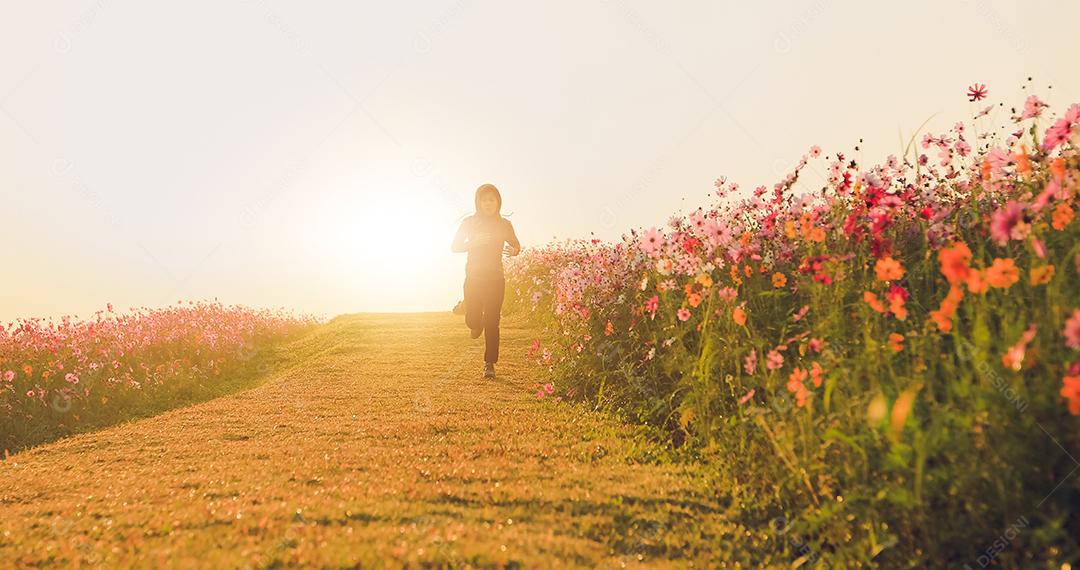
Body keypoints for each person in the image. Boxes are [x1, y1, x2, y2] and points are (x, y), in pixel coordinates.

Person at [450, 183, 521, 379]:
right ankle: (474, 320)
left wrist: (515, 250)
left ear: (498, 202)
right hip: (473, 278)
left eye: (492, 199)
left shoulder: (504, 225)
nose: (488, 203)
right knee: (473, 320)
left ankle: (489, 363)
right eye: (484, 200)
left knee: (492, 320)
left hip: (496, 279)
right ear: (478, 203)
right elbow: (455, 246)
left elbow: (516, 244)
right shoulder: (469, 223)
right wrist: (472, 243)